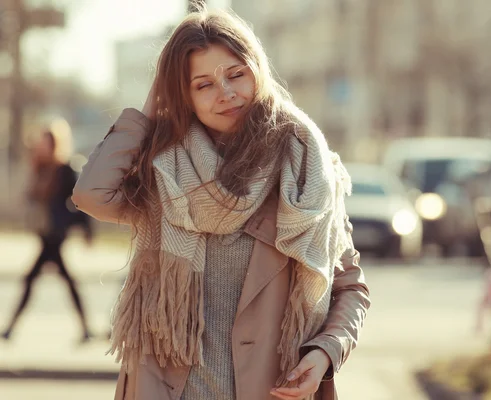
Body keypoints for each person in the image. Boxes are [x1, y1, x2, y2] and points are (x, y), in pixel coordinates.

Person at [72, 8, 370, 400]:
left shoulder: (303, 166)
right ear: (183, 96)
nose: (226, 93)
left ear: (256, 71)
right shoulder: (164, 167)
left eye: (235, 74)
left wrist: (325, 352)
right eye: (203, 85)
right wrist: (146, 114)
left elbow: (350, 286)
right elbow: (92, 194)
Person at [2, 125, 94, 343]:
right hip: (45, 233)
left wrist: (86, 230)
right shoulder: (41, 168)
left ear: (55, 144)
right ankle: (86, 329)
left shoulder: (64, 169)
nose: (41, 145)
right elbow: (32, 197)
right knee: (66, 281)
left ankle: (10, 328)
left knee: (31, 279)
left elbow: (80, 200)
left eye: (46, 142)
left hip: (56, 233)